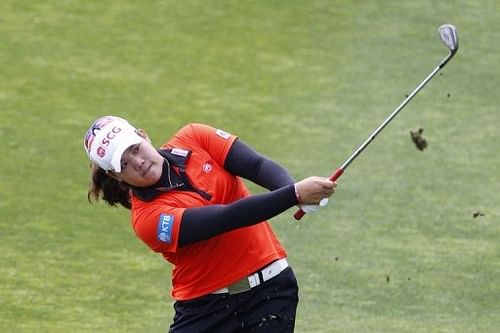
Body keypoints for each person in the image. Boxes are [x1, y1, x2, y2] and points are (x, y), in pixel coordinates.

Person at [83, 115, 336, 332]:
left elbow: (257, 166)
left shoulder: (195, 136)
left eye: (135, 148)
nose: (137, 162)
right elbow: (225, 218)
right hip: (205, 311)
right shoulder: (148, 220)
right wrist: (293, 195)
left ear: (143, 135)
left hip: (271, 291)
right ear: (115, 176)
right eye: (124, 164)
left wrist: (294, 192)